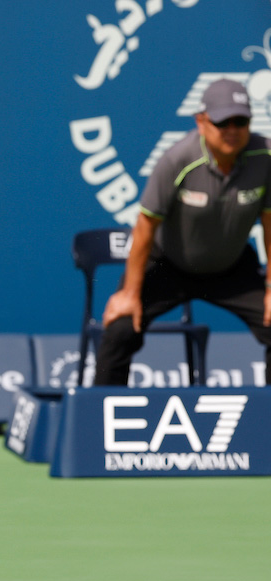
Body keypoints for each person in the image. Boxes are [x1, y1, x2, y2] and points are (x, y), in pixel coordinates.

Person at [96, 78, 271, 385]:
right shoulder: (177, 160)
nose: (232, 129)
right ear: (201, 122)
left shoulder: (265, 158)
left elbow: (270, 224)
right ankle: (99, 423)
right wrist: (129, 293)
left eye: (240, 121)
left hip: (231, 268)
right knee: (121, 328)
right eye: (222, 122)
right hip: (168, 265)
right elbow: (145, 228)